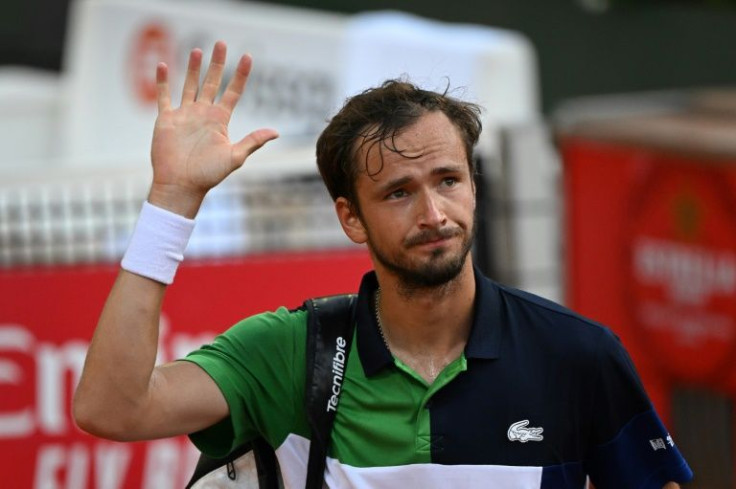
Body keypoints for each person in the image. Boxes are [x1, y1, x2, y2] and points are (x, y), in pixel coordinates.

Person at [73, 41, 693, 488]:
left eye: (449, 180)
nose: (433, 211)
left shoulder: (576, 355)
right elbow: (113, 408)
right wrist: (172, 202)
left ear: (473, 187)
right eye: (398, 192)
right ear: (350, 218)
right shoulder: (290, 352)